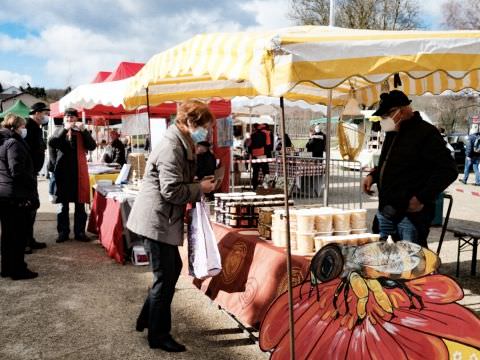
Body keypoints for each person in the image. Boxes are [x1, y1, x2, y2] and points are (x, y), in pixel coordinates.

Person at [127, 100, 216, 352]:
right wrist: (200, 188)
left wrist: (198, 183)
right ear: (190, 123)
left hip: (161, 218)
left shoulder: (180, 141)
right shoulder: (171, 146)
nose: (206, 133)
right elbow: (170, 191)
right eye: (204, 127)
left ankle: (147, 318)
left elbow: (176, 182)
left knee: (170, 270)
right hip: (155, 219)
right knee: (164, 277)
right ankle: (158, 335)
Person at [362, 90, 457, 248]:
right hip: (386, 208)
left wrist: (421, 197)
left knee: (411, 260)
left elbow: (448, 170)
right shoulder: (392, 132)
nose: (383, 119)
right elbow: (388, 162)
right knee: (378, 254)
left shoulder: (426, 133)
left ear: (403, 110)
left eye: (386, 115)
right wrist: (373, 175)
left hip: (411, 214)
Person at [48, 108, 96, 243]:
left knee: (80, 205)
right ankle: (63, 232)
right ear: (64, 119)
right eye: (67, 118)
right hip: (63, 174)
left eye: (72, 118)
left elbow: (92, 146)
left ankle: (80, 232)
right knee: (63, 206)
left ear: (77, 119)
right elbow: (53, 142)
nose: (70, 120)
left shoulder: (81, 132)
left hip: (78, 174)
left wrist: (84, 130)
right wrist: (65, 129)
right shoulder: (59, 131)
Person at [0, 114, 38, 280]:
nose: (25, 130)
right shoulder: (13, 143)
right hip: (15, 195)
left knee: (8, 235)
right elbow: (17, 171)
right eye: (23, 127)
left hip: (6, 194)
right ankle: (17, 269)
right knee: (18, 234)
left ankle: (8, 267)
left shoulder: (3, 142)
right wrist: (31, 186)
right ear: (15, 127)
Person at [23, 102, 50, 253]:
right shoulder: (28, 127)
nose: (46, 116)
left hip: (33, 173)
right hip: (28, 174)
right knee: (29, 208)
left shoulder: (36, 127)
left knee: (33, 208)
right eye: (44, 113)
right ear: (37, 113)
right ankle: (25, 242)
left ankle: (30, 239)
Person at [248, 123, 269, 190]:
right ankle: (266, 185)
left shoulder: (252, 135)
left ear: (255, 128)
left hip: (255, 155)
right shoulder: (264, 134)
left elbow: (250, 145)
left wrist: (250, 152)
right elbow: (267, 144)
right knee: (265, 171)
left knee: (255, 172)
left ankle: (254, 187)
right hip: (263, 154)